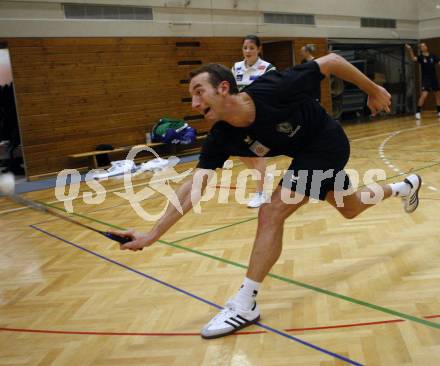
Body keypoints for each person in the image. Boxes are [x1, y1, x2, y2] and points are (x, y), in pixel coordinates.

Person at [109, 52, 422, 339]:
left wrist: (372, 89)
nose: (192, 102)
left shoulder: (274, 88)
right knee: (350, 207)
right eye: (191, 95)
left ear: (223, 88)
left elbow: (332, 61)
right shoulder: (221, 135)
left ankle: (245, 302)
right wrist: (151, 235)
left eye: (198, 91)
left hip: (327, 142)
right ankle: (404, 187)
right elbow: (194, 186)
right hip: (303, 155)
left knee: (271, 211)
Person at [231, 35, 276, 208]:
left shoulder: (268, 68)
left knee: (258, 154)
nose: (248, 51)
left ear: (259, 49)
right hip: (240, 118)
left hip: (261, 119)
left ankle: (261, 194)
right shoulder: (236, 68)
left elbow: (274, 93)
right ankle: (263, 175)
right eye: (245, 48)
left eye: (251, 48)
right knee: (240, 152)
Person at [405, 42, 440, 119]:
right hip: (426, 79)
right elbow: (413, 58)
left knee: (437, 95)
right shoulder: (420, 57)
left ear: (426, 47)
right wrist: (410, 49)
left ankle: (438, 111)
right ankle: (417, 112)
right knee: (424, 95)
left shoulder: (433, 56)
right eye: (421, 46)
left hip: (434, 78)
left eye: (424, 46)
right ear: (420, 49)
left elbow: (438, 62)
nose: (423, 47)